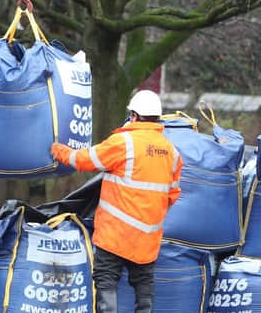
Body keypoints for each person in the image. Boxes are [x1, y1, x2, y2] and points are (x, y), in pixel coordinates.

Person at [50, 90, 182, 313]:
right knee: (144, 287)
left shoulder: (124, 142)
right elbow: (172, 195)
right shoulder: (172, 153)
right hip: (147, 239)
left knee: (106, 280)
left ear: (134, 115)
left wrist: (58, 150)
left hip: (115, 234)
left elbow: (83, 160)